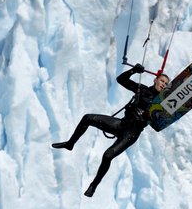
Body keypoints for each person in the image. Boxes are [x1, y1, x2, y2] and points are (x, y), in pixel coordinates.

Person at [53, 64, 170, 196]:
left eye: (166, 84)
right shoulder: (141, 90)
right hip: (121, 124)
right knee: (87, 118)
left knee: (107, 155)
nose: (164, 85)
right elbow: (121, 80)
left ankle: (93, 186)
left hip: (131, 134)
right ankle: (70, 144)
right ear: (155, 80)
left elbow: (159, 122)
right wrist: (133, 71)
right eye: (162, 81)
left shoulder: (161, 103)